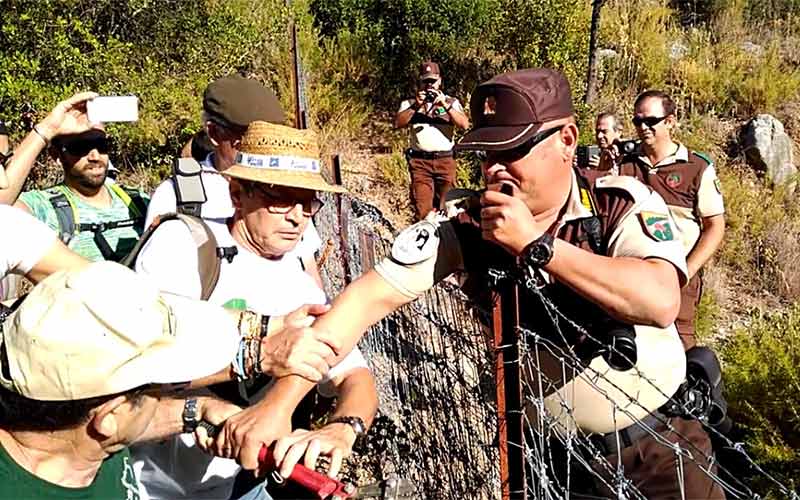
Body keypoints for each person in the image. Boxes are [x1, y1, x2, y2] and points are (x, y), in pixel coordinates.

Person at [225, 68, 724, 498]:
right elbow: (362, 302)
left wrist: (537, 245)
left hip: (656, 446)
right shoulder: (468, 224)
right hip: (554, 457)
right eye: (485, 154)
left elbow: (660, 299)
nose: (494, 170)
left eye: (514, 149)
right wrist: (279, 404)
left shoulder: (617, 202)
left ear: (567, 140)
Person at [132, 121, 378, 500]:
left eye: (308, 201)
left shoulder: (299, 285)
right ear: (237, 193)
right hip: (148, 483)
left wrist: (342, 427)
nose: (298, 216)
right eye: (281, 197)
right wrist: (257, 357)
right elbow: (140, 360)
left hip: (242, 485)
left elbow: (354, 376)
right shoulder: (183, 246)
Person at [0, 261, 245, 499]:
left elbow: (103, 426)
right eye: (159, 389)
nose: (167, 395)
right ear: (111, 416)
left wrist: (196, 411)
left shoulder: (72, 435)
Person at [145, 75, 325, 288]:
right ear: (213, 133)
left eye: (268, 139)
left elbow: (307, 267)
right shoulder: (176, 195)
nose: (259, 149)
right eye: (247, 139)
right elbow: (158, 297)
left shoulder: (290, 189)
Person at [613, 90, 725, 350]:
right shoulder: (625, 164)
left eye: (650, 121)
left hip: (677, 276)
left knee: (677, 347)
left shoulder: (696, 167)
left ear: (670, 121)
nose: (643, 128)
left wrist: (686, 271)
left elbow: (715, 227)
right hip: (631, 275)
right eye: (637, 121)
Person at [9, 93, 149, 263]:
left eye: (102, 145)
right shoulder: (43, 207)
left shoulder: (139, 202)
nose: (95, 156)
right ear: (57, 155)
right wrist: (47, 129)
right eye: (80, 146)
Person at [394, 61, 469, 220]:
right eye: (425, 81)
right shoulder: (409, 104)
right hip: (420, 164)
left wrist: (444, 104)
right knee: (423, 211)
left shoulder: (451, 102)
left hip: (445, 161)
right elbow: (398, 123)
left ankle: (449, 242)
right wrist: (417, 105)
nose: (429, 86)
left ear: (440, 81)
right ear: (419, 81)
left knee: (449, 209)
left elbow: (464, 124)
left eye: (432, 81)